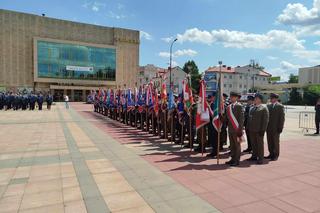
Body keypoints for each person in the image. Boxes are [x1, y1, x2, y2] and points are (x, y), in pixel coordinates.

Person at [247, 94, 269, 164]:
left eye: (256, 98)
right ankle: (254, 156)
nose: (255, 100)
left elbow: (265, 121)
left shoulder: (263, 108)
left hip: (259, 130)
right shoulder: (252, 108)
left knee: (259, 145)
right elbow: (249, 118)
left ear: (260, 99)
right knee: (253, 144)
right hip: (252, 129)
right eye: (255, 98)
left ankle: (260, 158)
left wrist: (263, 130)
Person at [225, 92, 244, 167]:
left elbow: (241, 119)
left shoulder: (239, 106)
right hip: (230, 129)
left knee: (237, 145)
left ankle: (237, 160)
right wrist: (221, 118)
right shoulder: (228, 107)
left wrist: (240, 129)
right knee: (232, 145)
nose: (231, 98)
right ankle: (232, 159)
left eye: (233, 97)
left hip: (237, 129)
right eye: (231, 97)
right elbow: (227, 119)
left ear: (236, 98)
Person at [266, 93, 285, 161]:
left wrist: (280, 127)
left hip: (276, 127)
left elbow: (282, 118)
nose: (271, 99)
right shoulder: (268, 106)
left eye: (272, 98)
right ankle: (271, 153)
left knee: (275, 142)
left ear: (276, 99)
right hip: (269, 127)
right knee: (269, 141)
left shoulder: (280, 106)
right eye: (271, 98)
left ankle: (276, 155)